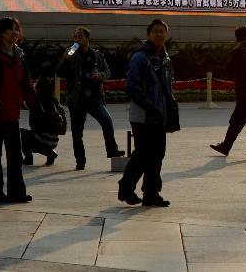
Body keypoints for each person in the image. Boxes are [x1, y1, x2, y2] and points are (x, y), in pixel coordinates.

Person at [119, 19, 174, 207]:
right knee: (142, 155)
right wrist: (150, 105)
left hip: (159, 116)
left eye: (162, 31)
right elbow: (131, 86)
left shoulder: (165, 58)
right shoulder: (140, 57)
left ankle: (151, 193)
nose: (159, 34)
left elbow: (167, 86)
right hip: (143, 116)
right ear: (148, 34)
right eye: (155, 31)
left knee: (157, 155)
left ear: (166, 35)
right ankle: (126, 188)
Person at [0, 17, 36, 204]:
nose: (15, 33)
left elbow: (25, 83)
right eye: (11, 29)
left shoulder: (18, 55)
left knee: (14, 155)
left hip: (12, 113)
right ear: (1, 32)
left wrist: (35, 106)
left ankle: (17, 193)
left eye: (17, 29)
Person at [58, 27, 124, 170]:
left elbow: (107, 72)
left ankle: (112, 150)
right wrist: (65, 61)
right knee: (77, 132)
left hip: (94, 97)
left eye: (80, 36)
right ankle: (80, 161)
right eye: (75, 37)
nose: (77, 39)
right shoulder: (70, 53)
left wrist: (98, 76)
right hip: (77, 97)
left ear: (88, 38)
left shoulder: (97, 55)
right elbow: (60, 72)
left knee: (106, 120)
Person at [209, 26, 246, 158]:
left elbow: (230, 70)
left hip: (243, 91)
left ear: (236, 38)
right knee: (239, 120)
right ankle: (226, 146)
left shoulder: (236, 52)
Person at [21, 62, 61, 167]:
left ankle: (29, 158)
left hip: (43, 140)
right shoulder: (53, 101)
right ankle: (50, 153)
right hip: (54, 140)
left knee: (21, 133)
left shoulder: (37, 103)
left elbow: (23, 104)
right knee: (39, 135)